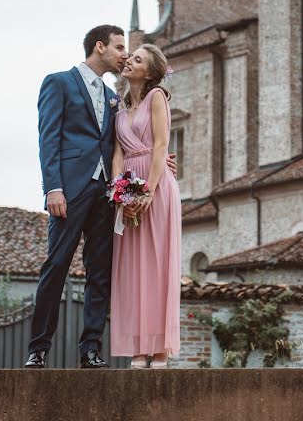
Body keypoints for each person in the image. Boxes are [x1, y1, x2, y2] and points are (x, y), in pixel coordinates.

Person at [25, 26, 175, 369]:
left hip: (107, 195)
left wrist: (159, 159)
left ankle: (90, 348)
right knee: (57, 266)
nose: (125, 53)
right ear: (100, 47)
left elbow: (124, 142)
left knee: (100, 273)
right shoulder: (59, 82)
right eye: (120, 47)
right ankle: (38, 348)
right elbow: (48, 138)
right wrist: (53, 188)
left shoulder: (114, 98)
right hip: (70, 191)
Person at [110, 44, 182, 369]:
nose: (129, 61)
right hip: (128, 192)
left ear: (149, 72)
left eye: (137, 59)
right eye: (131, 56)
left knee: (158, 267)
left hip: (156, 188)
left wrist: (148, 193)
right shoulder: (120, 111)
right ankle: (139, 350)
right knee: (134, 270)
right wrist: (120, 195)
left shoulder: (157, 98)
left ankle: (161, 350)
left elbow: (161, 145)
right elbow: (117, 156)